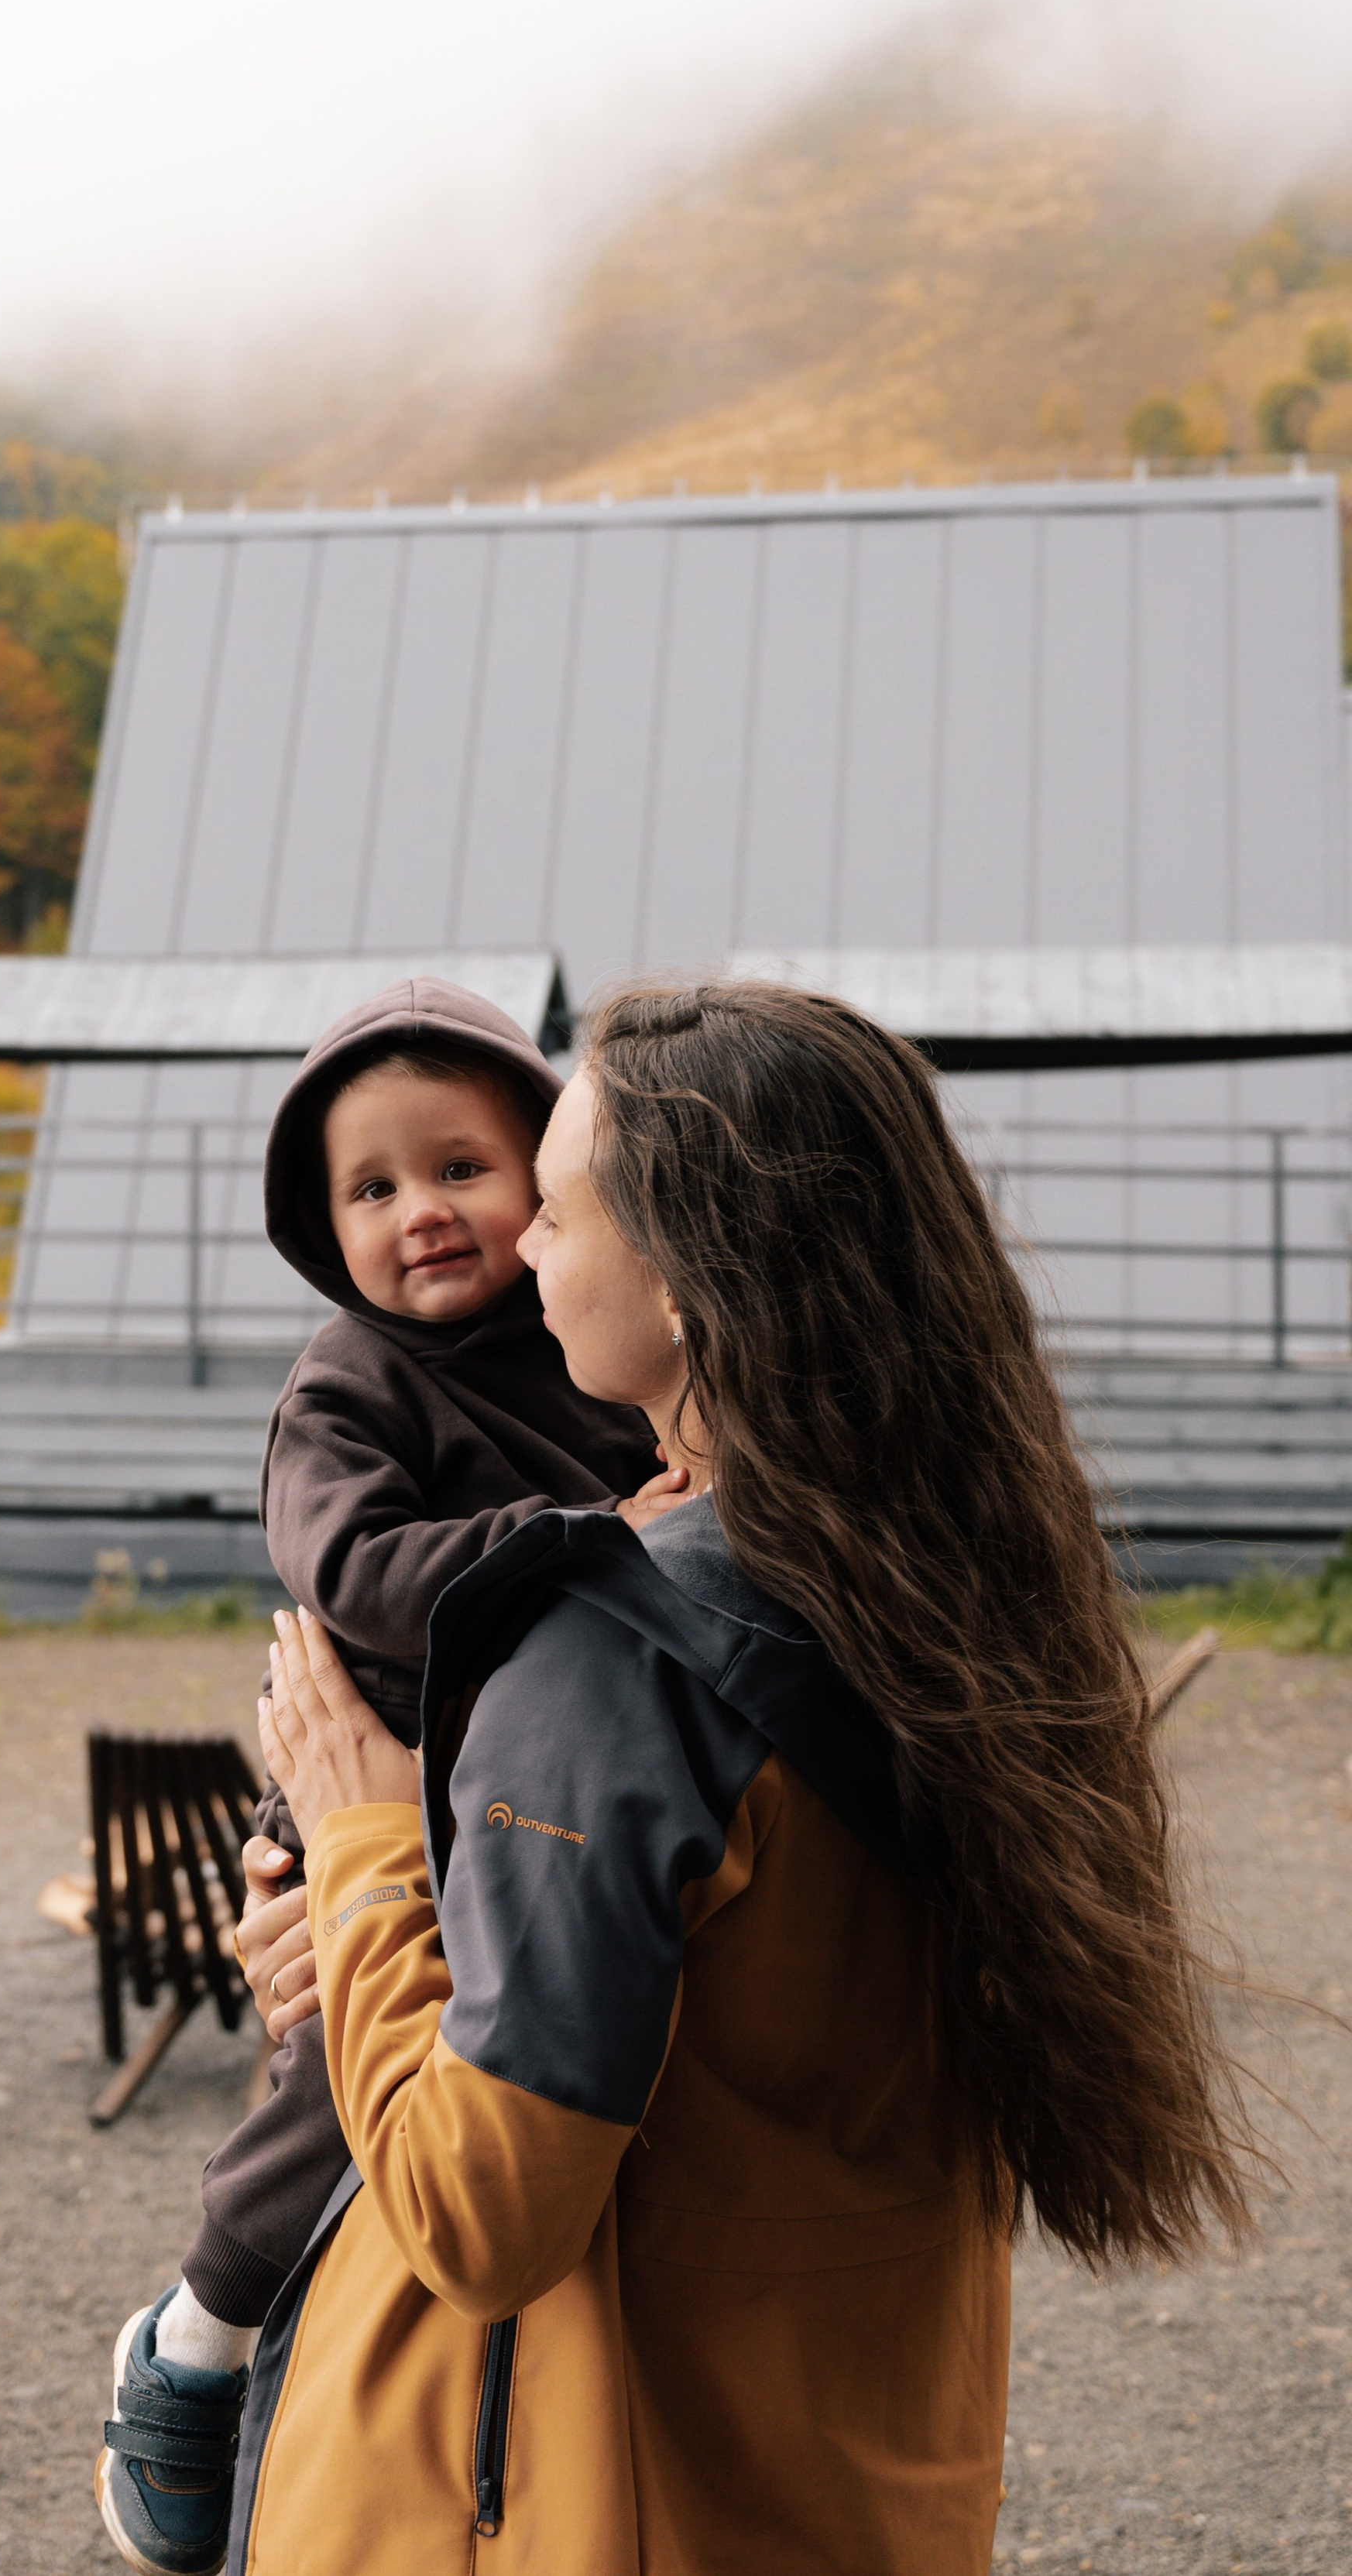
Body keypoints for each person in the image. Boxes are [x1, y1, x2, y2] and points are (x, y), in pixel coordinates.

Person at [226, 977, 1254, 2576]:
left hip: (599, 2497)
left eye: (552, 1205)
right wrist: (410, 1911)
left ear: (693, 1278)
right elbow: (751, 2005)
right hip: (850, 2476)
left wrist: (361, 1844)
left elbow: (483, 2213)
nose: (528, 1250)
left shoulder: (613, 1654)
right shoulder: (941, 1574)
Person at [95, 979, 672, 2575]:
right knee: (341, 2082)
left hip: (539, 1778)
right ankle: (199, 2322)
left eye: (462, 1169)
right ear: (319, 1224)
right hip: (391, 1763)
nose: (420, 1211)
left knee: (493, 2091)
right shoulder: (346, 1384)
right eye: (370, 1186)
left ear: (548, 1182)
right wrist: (576, 1548)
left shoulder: (590, 1351)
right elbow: (351, 1567)